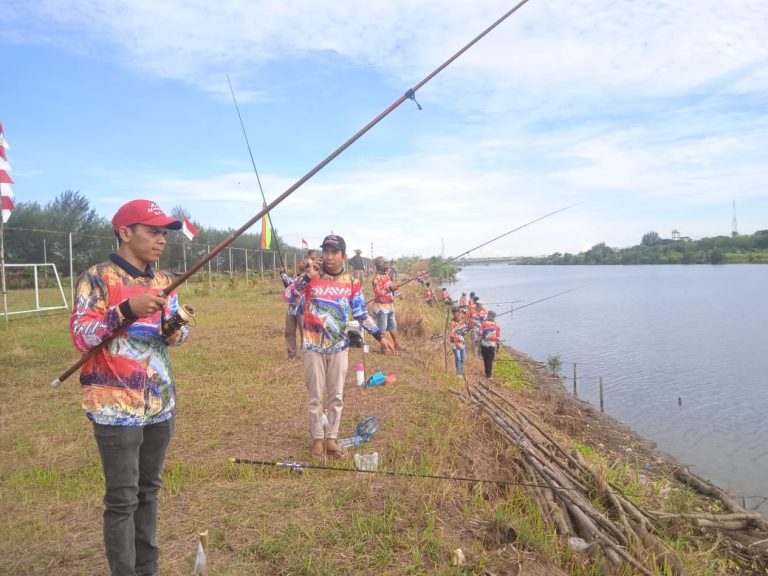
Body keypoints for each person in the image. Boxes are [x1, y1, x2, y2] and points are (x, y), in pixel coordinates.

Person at [69, 199, 190, 576]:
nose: (161, 240)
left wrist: (176, 329)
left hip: (159, 405)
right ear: (125, 232)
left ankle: (148, 569)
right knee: (122, 499)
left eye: (164, 233)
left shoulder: (163, 280)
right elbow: (80, 335)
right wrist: (126, 310)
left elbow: (177, 335)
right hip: (114, 408)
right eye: (153, 231)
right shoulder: (97, 278)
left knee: (149, 491)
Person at [293, 234, 394, 458]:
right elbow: (289, 298)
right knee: (315, 397)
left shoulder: (351, 282)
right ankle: (318, 439)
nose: (329, 257)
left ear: (343, 256)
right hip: (312, 347)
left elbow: (360, 313)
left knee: (336, 396)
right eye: (326, 252)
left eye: (334, 252)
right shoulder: (312, 278)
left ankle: (331, 438)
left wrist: (380, 336)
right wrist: (304, 280)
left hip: (339, 348)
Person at [371, 256, 404, 352]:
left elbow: (390, 289)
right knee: (382, 328)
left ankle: (397, 345)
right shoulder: (376, 279)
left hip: (390, 306)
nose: (387, 265)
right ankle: (384, 349)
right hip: (381, 308)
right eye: (385, 263)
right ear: (380, 265)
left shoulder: (386, 276)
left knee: (393, 327)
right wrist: (390, 289)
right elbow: (378, 293)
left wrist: (398, 294)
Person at [279, 259, 309, 359]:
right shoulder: (296, 276)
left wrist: (282, 273)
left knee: (303, 332)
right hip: (292, 307)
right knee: (289, 331)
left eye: (303, 262)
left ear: (307, 267)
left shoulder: (307, 277)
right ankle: (292, 355)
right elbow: (288, 285)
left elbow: (293, 283)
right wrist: (283, 275)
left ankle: (306, 354)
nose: (300, 262)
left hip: (302, 308)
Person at [479, 310, 501, 378]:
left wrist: (478, 343)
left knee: (485, 359)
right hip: (492, 345)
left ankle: (487, 373)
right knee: (490, 360)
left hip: (484, 345)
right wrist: (498, 347)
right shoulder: (497, 326)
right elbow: (498, 337)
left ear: (488, 316)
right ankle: (489, 374)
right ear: (494, 317)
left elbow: (480, 333)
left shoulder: (484, 323)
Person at [448, 305, 469, 376]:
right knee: (458, 358)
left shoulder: (462, 320)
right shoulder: (452, 322)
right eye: (453, 312)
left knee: (463, 358)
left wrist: (470, 326)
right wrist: (456, 344)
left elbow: (465, 330)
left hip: (462, 341)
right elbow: (452, 334)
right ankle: (458, 373)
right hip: (455, 342)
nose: (455, 313)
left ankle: (462, 371)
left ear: (459, 312)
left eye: (456, 312)